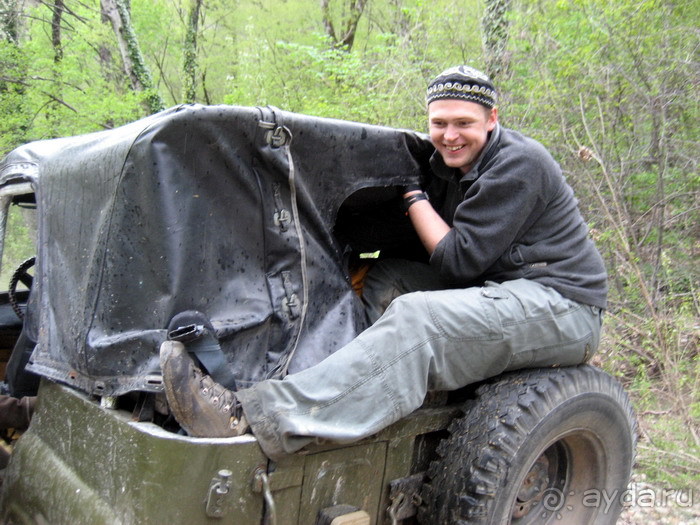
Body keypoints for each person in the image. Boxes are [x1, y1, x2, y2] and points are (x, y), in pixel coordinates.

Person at [160, 65, 607, 461]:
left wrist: (413, 197)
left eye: (464, 124)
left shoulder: (519, 164)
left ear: (492, 120)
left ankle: (252, 417)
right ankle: (340, 387)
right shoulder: (447, 164)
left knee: (420, 318)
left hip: (563, 304)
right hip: (500, 288)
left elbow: (458, 260)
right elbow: (399, 240)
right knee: (388, 275)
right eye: (440, 123)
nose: (450, 135)